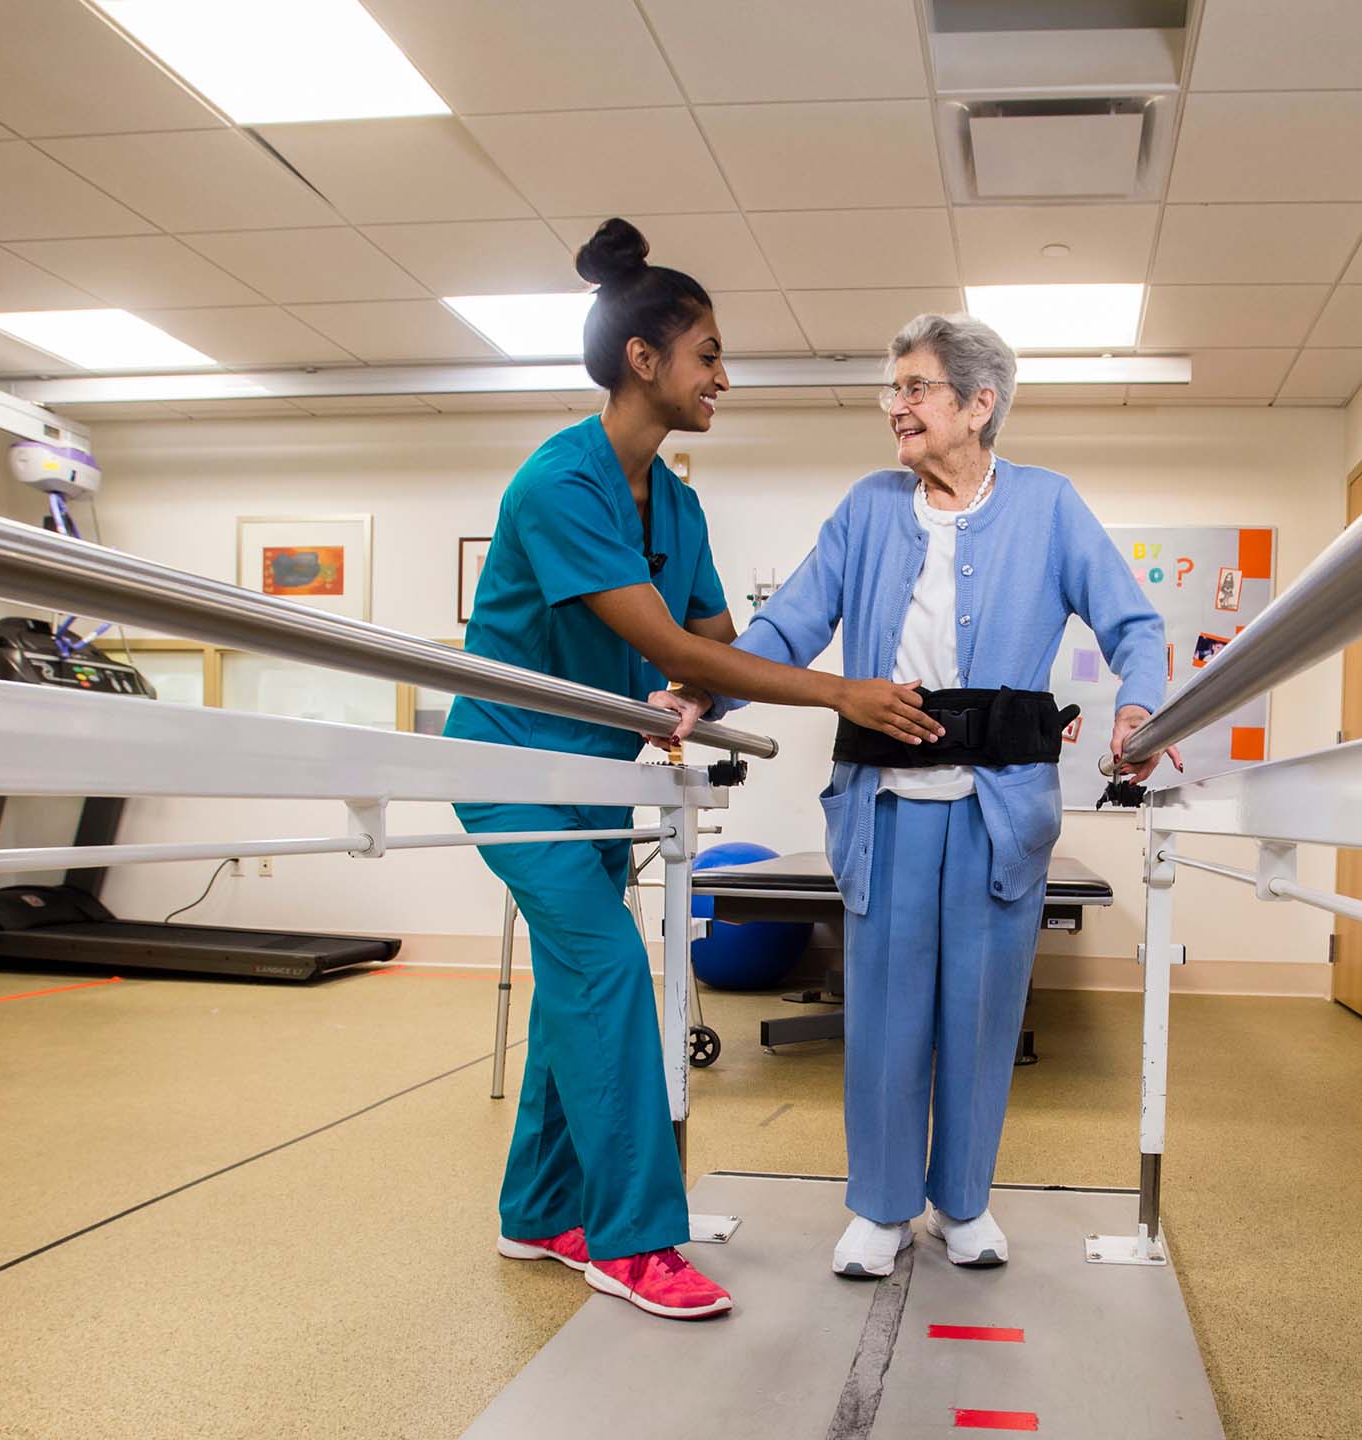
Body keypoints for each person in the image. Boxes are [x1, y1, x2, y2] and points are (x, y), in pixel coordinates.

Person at [446, 219, 941, 1321]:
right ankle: (630, 1242)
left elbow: (718, 642)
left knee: (584, 983)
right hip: (511, 763)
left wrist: (706, 697)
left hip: (597, 772)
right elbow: (671, 647)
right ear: (643, 360)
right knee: (613, 975)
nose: (723, 374)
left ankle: (534, 1211)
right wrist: (838, 694)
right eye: (708, 352)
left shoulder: (672, 498)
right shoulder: (559, 484)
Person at [659, 313, 1181, 1278]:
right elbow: (787, 628)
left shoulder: (1049, 506)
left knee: (982, 1016)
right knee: (890, 1012)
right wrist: (702, 690)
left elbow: (1134, 620)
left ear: (979, 405)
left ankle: (964, 1204)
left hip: (1000, 811)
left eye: (916, 387)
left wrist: (1138, 709)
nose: (895, 405)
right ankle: (883, 1207)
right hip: (887, 804)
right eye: (892, 387)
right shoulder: (866, 508)